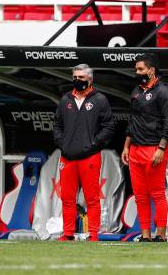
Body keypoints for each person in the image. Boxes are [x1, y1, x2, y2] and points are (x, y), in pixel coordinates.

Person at [53, 64, 115, 242]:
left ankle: (93, 234)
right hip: (68, 157)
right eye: (75, 77)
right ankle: (67, 234)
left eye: (81, 77)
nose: (77, 80)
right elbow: (57, 125)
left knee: (92, 198)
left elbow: (109, 126)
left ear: (90, 79)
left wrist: (94, 145)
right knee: (67, 198)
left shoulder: (100, 100)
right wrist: (62, 144)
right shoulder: (65, 100)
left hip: (90, 157)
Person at [122, 54, 168, 242]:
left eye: (140, 69)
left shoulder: (164, 92)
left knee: (157, 194)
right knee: (140, 196)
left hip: (154, 149)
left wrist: (161, 148)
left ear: (151, 70)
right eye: (136, 70)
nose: (137, 73)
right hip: (135, 150)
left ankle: (160, 235)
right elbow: (132, 120)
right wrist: (126, 147)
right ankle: (145, 235)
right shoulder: (136, 91)